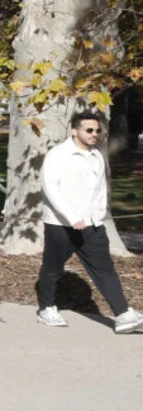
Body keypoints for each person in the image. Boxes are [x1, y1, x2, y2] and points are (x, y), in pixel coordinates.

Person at [36, 109, 143, 333]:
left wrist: (98, 215)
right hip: (61, 225)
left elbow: (99, 189)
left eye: (97, 130)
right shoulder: (58, 155)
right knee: (53, 268)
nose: (95, 134)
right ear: (75, 131)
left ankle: (123, 314)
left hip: (93, 225)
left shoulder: (96, 156)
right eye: (89, 130)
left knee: (105, 270)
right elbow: (51, 189)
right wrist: (72, 217)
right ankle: (46, 308)